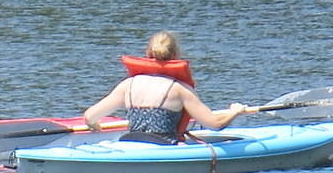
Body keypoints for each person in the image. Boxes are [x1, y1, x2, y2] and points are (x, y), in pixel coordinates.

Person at [84, 30, 246, 144]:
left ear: (148, 53)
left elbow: (90, 116)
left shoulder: (128, 84)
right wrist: (235, 112)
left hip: (131, 140)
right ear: (176, 54)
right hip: (164, 144)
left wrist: (94, 126)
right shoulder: (179, 89)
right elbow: (214, 124)